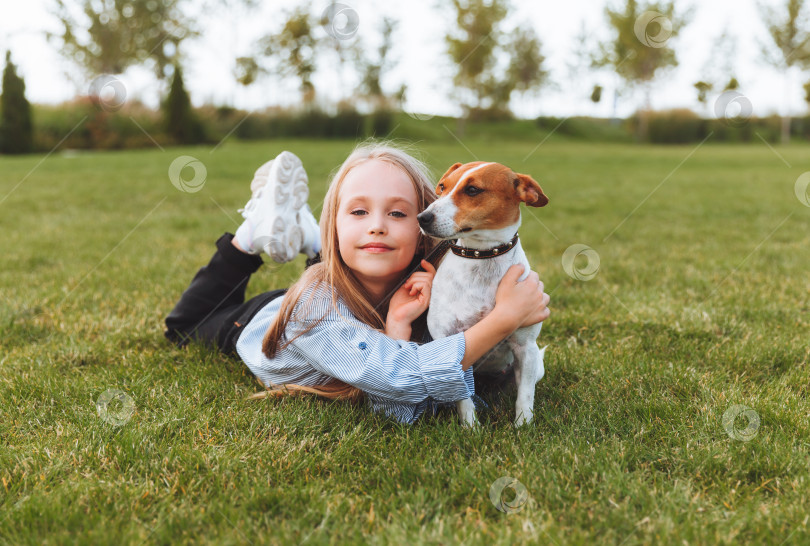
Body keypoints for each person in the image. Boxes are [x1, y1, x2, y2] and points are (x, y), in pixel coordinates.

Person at [164, 143, 550, 424]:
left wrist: (397, 325)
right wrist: (504, 318)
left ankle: (306, 233)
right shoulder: (313, 315)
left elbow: (403, 410)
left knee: (363, 253)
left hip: (353, 287)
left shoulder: (430, 286)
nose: (378, 223)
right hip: (264, 321)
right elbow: (399, 382)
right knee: (187, 326)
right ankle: (253, 234)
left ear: (422, 228)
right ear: (333, 222)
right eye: (359, 211)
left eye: (398, 212)